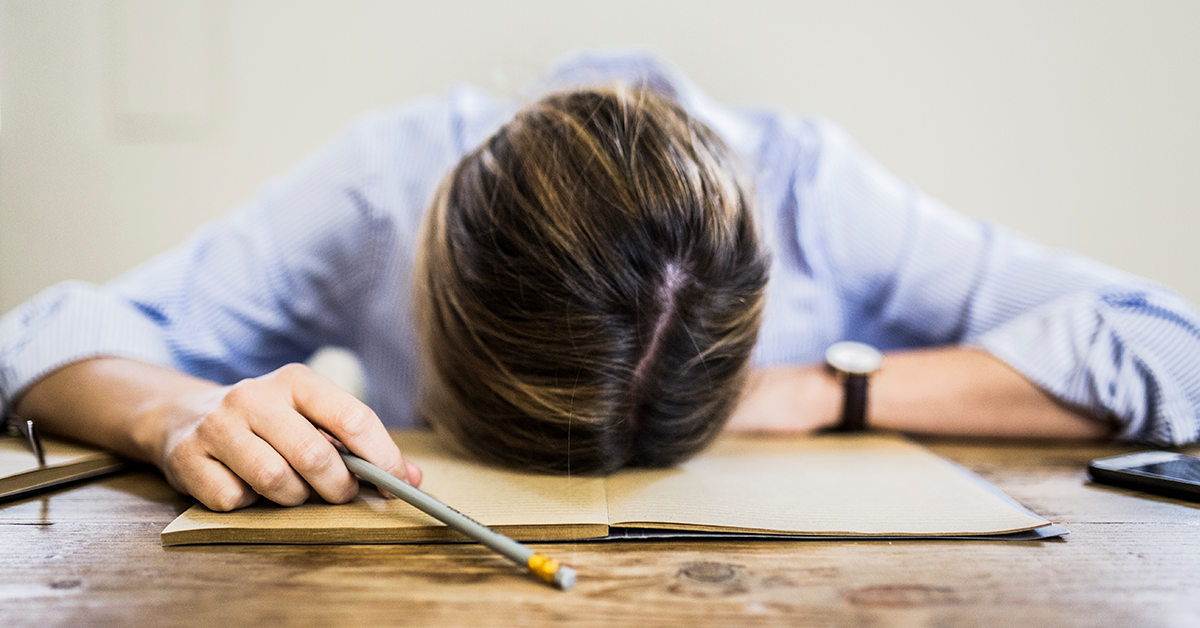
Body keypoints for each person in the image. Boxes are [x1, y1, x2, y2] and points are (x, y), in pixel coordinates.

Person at [2, 52, 1198, 513]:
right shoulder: (383, 184)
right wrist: (176, 409)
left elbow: (1174, 345)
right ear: (430, 267)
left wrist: (821, 396)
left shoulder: (810, 188)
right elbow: (41, 337)